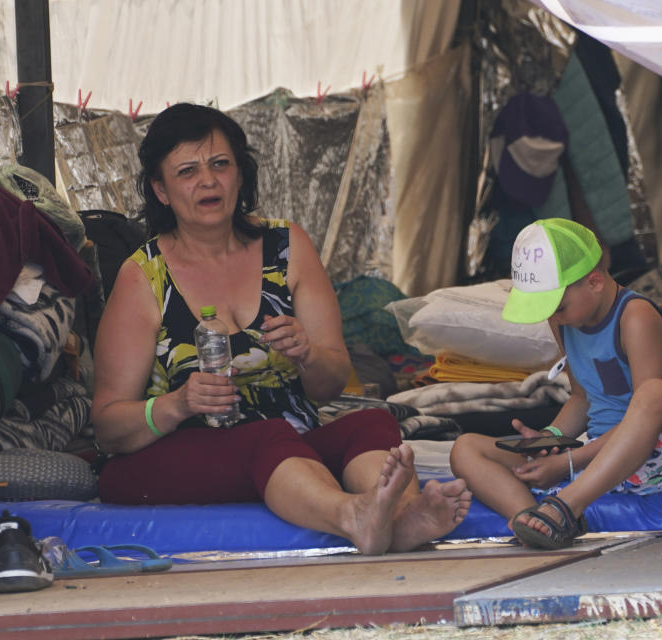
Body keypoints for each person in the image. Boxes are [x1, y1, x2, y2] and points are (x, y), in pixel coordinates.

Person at [92, 103, 471, 555]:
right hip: (175, 455)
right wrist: (176, 404)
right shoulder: (143, 277)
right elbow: (108, 425)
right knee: (267, 437)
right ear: (161, 190)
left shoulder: (287, 245)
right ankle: (353, 516)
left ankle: (405, 519)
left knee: (370, 422)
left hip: (288, 446)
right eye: (187, 171)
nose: (208, 181)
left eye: (220, 164)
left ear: (241, 173)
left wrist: (307, 354)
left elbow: (329, 385)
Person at [449, 218, 662, 550]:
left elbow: (651, 414)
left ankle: (565, 508)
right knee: (465, 448)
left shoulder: (635, 318)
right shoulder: (565, 322)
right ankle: (534, 519)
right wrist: (549, 438)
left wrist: (569, 463)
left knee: (655, 393)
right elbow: (583, 398)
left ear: (595, 282)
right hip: (593, 462)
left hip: (656, 461)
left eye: (558, 307)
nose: (553, 317)